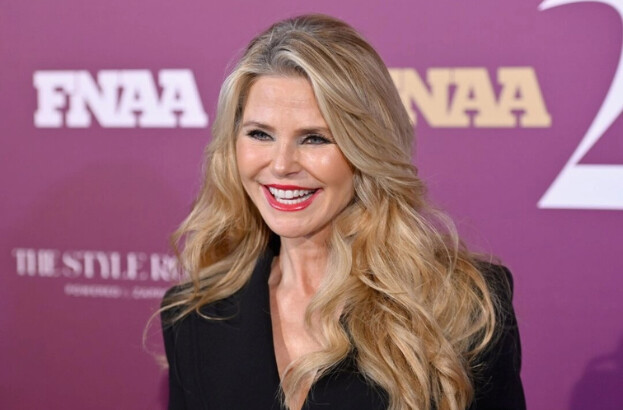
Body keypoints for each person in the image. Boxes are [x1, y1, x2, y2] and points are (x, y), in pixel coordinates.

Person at [160, 14, 525, 410]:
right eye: (260, 134)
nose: (281, 164)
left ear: (365, 149)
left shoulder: (463, 304)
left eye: (315, 138)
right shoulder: (193, 316)